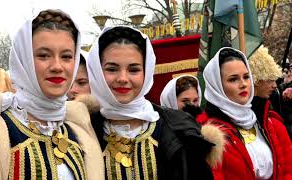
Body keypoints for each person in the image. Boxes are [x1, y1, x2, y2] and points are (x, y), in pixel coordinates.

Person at [0, 9, 103, 180]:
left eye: (66, 56)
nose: (57, 66)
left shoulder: (82, 130)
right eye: (43, 55)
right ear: (23, 60)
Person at [87, 26, 225, 180]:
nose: (123, 78)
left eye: (134, 70)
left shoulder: (182, 128)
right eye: (112, 69)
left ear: (146, 71)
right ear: (97, 71)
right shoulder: (82, 130)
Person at [197, 47, 292, 179]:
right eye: (233, 79)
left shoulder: (272, 123)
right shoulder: (207, 133)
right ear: (217, 86)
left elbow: (288, 169)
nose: (243, 84)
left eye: (246, 77)